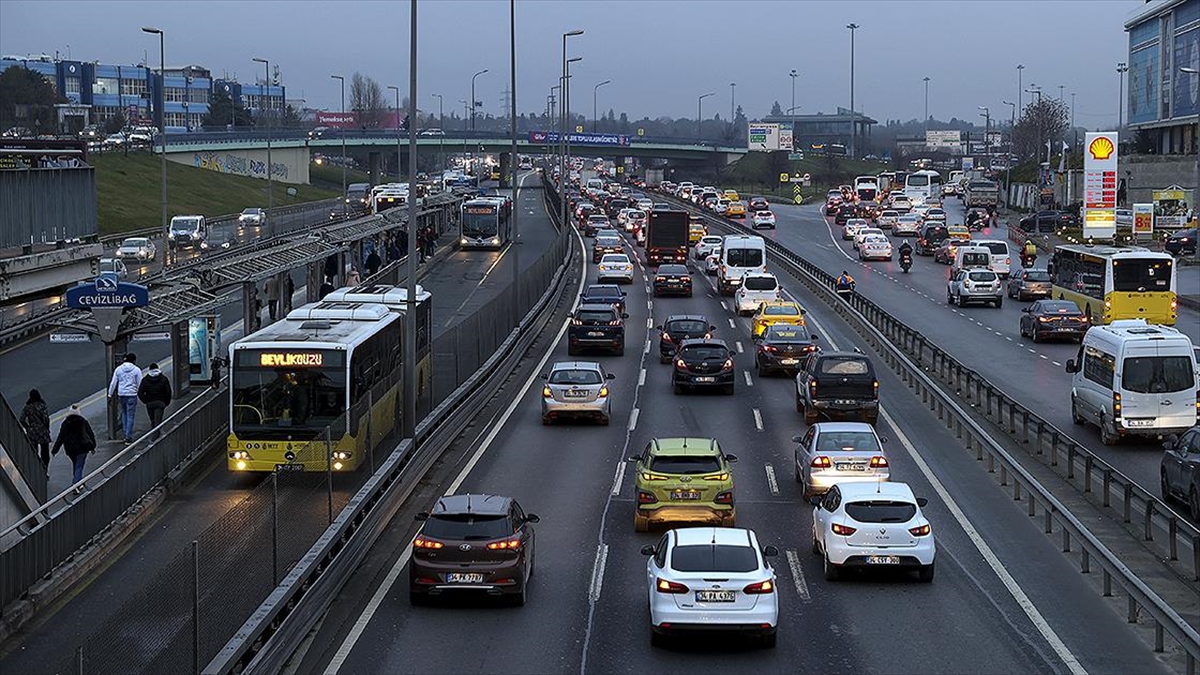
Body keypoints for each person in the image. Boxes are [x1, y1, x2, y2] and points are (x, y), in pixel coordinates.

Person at [52, 404, 97, 484]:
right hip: (82, 448)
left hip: (70, 449)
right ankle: (76, 483)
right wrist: (92, 446)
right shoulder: (83, 421)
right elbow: (90, 434)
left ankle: (78, 481)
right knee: (79, 466)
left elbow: (61, 437)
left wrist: (55, 450)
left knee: (75, 464)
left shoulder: (65, 423)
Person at [108, 353, 142, 444]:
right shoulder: (136, 370)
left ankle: (125, 433)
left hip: (122, 394)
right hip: (132, 394)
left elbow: (113, 383)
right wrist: (139, 393)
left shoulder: (118, 369)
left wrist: (110, 395)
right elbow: (139, 383)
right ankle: (128, 437)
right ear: (134, 360)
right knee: (130, 415)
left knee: (124, 414)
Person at [137, 362, 173, 439]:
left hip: (149, 403)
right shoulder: (164, 379)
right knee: (158, 421)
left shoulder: (145, 380)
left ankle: (154, 435)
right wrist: (166, 402)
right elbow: (168, 392)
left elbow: (140, 392)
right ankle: (155, 438)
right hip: (160, 403)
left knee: (152, 420)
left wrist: (145, 401)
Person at [19, 389, 51, 466]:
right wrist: (46, 428)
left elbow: (21, 419)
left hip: (32, 431)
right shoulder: (42, 406)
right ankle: (44, 466)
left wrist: (27, 427)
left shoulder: (27, 407)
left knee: (34, 451)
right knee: (45, 450)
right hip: (42, 430)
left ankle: (36, 465)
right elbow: (46, 419)